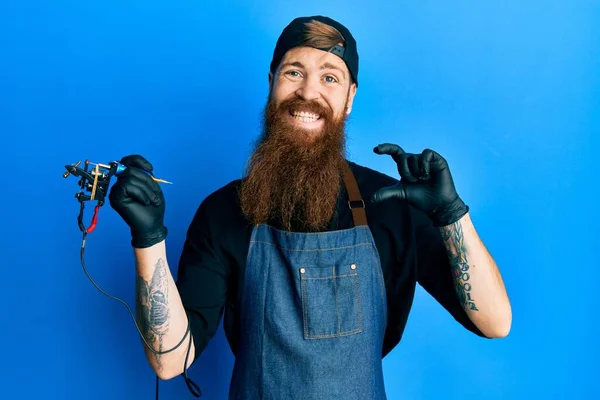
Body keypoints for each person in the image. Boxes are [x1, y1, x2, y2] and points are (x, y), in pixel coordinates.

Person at [109, 15, 512, 399]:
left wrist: (450, 215)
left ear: (350, 97)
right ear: (271, 83)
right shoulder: (223, 212)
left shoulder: (393, 204)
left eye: (330, 77)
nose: (308, 92)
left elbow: (495, 322)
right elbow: (170, 361)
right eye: (293, 72)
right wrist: (148, 239)